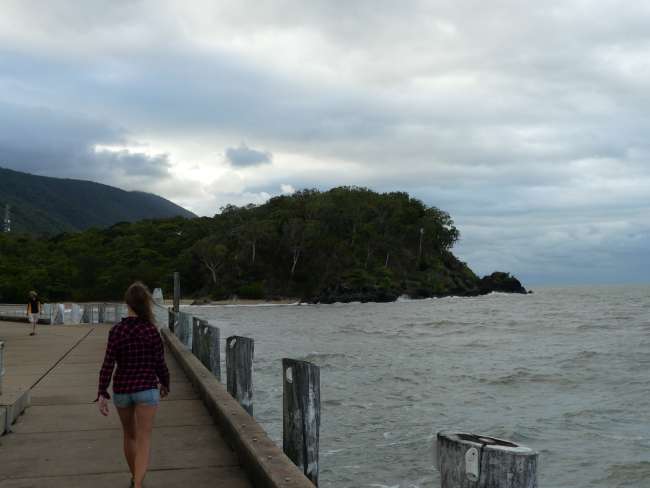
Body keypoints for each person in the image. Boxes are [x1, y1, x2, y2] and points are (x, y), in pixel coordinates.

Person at [96, 282, 170, 488]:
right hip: (146, 388)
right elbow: (159, 363)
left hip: (122, 390)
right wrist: (165, 383)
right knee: (144, 439)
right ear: (146, 303)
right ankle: (138, 484)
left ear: (127, 303)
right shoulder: (151, 331)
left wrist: (102, 392)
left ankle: (134, 478)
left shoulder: (117, 331)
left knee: (129, 436)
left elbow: (108, 364)